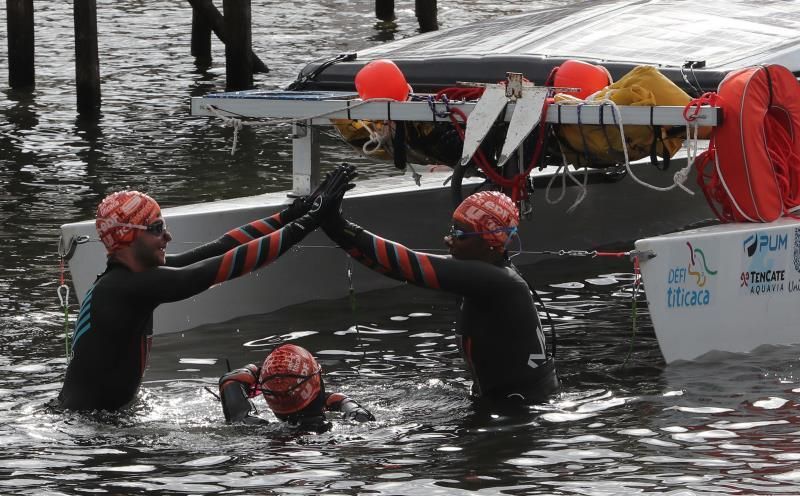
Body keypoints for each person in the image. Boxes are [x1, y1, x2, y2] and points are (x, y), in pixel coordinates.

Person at [57, 167, 356, 412]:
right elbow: (220, 268)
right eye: (158, 228)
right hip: (86, 428)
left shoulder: (133, 279)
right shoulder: (123, 288)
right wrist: (311, 220)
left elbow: (221, 248)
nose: (168, 236)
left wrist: (292, 214)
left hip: (95, 421)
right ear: (127, 237)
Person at [321, 165, 558, 403]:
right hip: (506, 403)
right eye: (451, 229)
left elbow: (410, 265)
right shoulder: (488, 273)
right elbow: (395, 269)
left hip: (522, 414)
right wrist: (334, 229)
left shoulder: (500, 283)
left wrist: (338, 225)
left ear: (489, 241)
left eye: (459, 233)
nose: (448, 239)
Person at [218, 343, 374, 431]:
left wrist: (256, 371)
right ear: (317, 378)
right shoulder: (342, 426)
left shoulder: (256, 428)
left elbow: (230, 381)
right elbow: (359, 414)